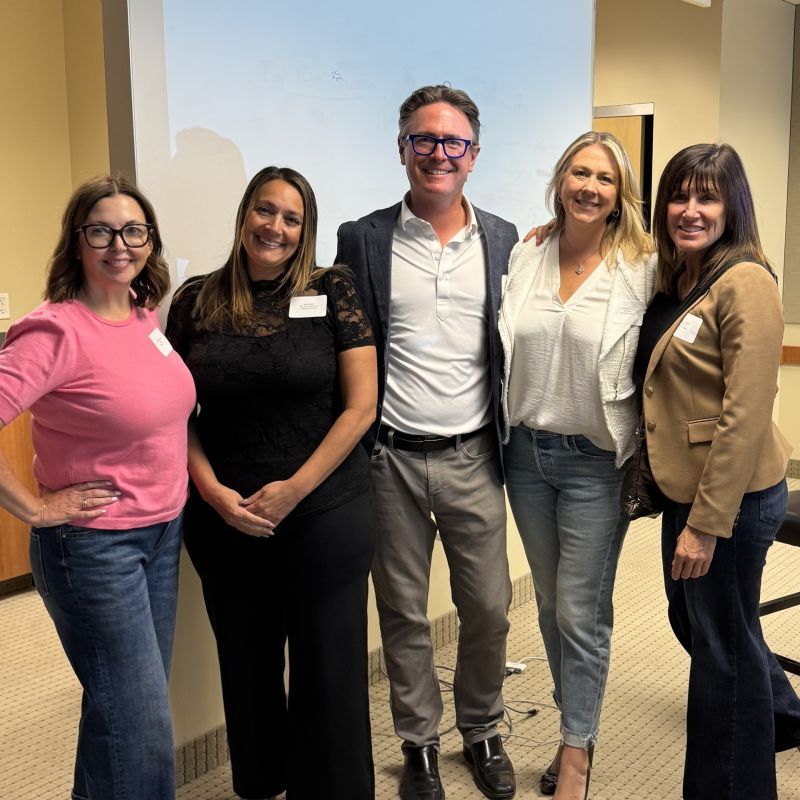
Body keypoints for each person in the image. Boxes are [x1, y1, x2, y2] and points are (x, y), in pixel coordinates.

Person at [165, 165, 378, 800]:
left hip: (327, 509)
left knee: (328, 669)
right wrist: (209, 491)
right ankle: (259, 785)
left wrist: (294, 488)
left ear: (305, 230)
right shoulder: (194, 300)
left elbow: (360, 406)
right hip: (226, 517)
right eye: (265, 210)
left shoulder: (333, 288)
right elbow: (171, 412)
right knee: (247, 662)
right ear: (244, 215)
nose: (275, 227)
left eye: (291, 218)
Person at [336, 84, 518, 800]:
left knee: (490, 609)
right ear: (402, 147)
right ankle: (419, 746)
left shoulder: (505, 240)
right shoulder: (365, 237)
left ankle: (483, 729)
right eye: (423, 139)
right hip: (391, 460)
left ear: (474, 154)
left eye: (453, 142)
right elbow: (346, 341)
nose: (437, 154)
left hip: (475, 454)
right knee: (403, 613)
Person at [0, 175, 195, 800]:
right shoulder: (55, 330)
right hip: (93, 550)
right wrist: (33, 505)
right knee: (141, 730)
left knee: (117, 713)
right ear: (77, 241)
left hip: (162, 537)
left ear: (150, 241)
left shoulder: (144, 319)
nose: (120, 244)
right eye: (101, 230)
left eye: (133, 230)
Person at [634, 143, 800, 799]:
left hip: (729, 498)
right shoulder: (681, 277)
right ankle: (783, 715)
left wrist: (706, 525)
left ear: (734, 205)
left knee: (721, 659)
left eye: (707, 196)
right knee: (704, 625)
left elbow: (746, 414)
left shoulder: (746, 282)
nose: (690, 209)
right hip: (690, 489)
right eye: (679, 195)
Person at [499, 131, 655, 800]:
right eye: (579, 173)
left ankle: (574, 758)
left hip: (596, 462)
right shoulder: (528, 251)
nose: (590, 187)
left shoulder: (643, 265)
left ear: (620, 195)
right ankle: (577, 728)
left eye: (605, 178)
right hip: (526, 455)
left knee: (580, 612)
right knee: (546, 605)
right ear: (561, 180)